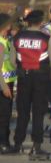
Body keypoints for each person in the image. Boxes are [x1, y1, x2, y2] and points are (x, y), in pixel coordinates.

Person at [8, 11, 51, 158]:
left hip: (23, 78)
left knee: (23, 112)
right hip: (41, 79)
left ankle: (17, 144)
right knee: (38, 113)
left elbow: (12, 61)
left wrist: (21, 70)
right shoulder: (46, 39)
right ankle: (36, 146)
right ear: (40, 22)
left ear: (27, 22)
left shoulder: (17, 38)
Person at [0, 14, 17, 153]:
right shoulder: (1, 44)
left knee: (5, 115)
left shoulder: (7, 41)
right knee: (4, 116)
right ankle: (4, 144)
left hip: (8, 82)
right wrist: (5, 87)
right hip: (3, 85)